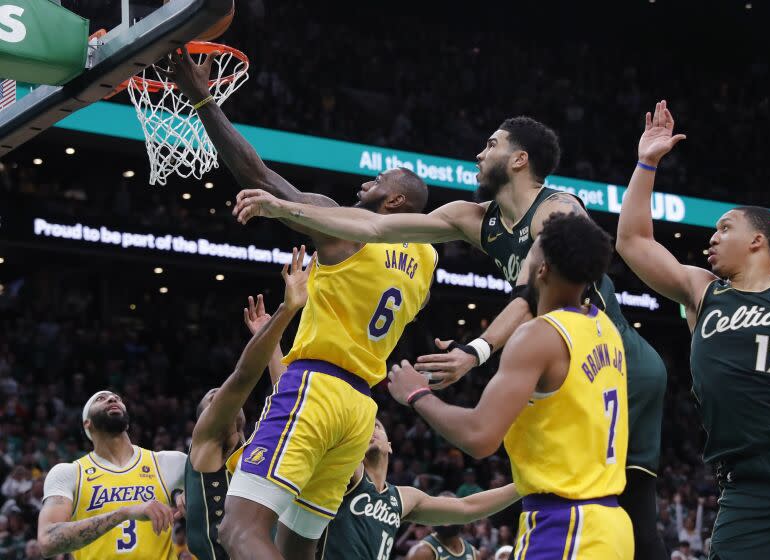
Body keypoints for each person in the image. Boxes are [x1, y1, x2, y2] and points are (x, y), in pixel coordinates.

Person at [232, 115, 668, 559]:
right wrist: (286, 209)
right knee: (592, 499)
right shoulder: (473, 218)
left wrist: (474, 352)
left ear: (520, 160)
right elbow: (376, 229)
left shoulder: (558, 210)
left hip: (612, 357)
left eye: (491, 145)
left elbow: (528, 297)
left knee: (625, 504)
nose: (479, 154)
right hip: (571, 359)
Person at [167, 48, 437, 560]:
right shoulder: (425, 261)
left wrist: (202, 99)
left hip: (315, 387)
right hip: (360, 411)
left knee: (240, 533)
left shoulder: (349, 230)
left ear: (396, 202)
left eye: (376, 183)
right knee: (296, 552)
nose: (364, 185)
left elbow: (261, 178)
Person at [615, 100, 770, 558]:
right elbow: (633, 241)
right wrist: (646, 162)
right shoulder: (703, 290)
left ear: (757, 240)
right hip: (746, 481)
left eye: (724, 228)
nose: (712, 238)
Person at [388, 214, 633, 558]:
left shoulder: (539, 335)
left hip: (566, 526)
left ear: (542, 268)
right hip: (612, 527)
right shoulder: (604, 327)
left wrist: (416, 394)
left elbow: (479, 436)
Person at [185, 247, 310, 560]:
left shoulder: (258, 450)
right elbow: (241, 379)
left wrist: (271, 342)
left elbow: (287, 398)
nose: (219, 397)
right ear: (204, 419)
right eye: (211, 399)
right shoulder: (206, 447)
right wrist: (285, 313)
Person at [319, 418, 518, 559]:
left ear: (389, 445)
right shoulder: (348, 475)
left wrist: (523, 486)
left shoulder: (402, 498)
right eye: (363, 428)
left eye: (376, 426)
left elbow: (466, 508)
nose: (370, 430)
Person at [37, 391, 186, 559]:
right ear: (88, 423)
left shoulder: (170, 462)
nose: (112, 398)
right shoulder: (69, 473)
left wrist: (191, 492)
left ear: (127, 423)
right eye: (100, 399)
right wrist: (124, 513)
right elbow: (47, 541)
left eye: (117, 398)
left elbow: (215, 480)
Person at [407, 499, 478, 560]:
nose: (446, 517)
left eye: (450, 511)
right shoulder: (421, 552)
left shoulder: (474, 553)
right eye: (441, 512)